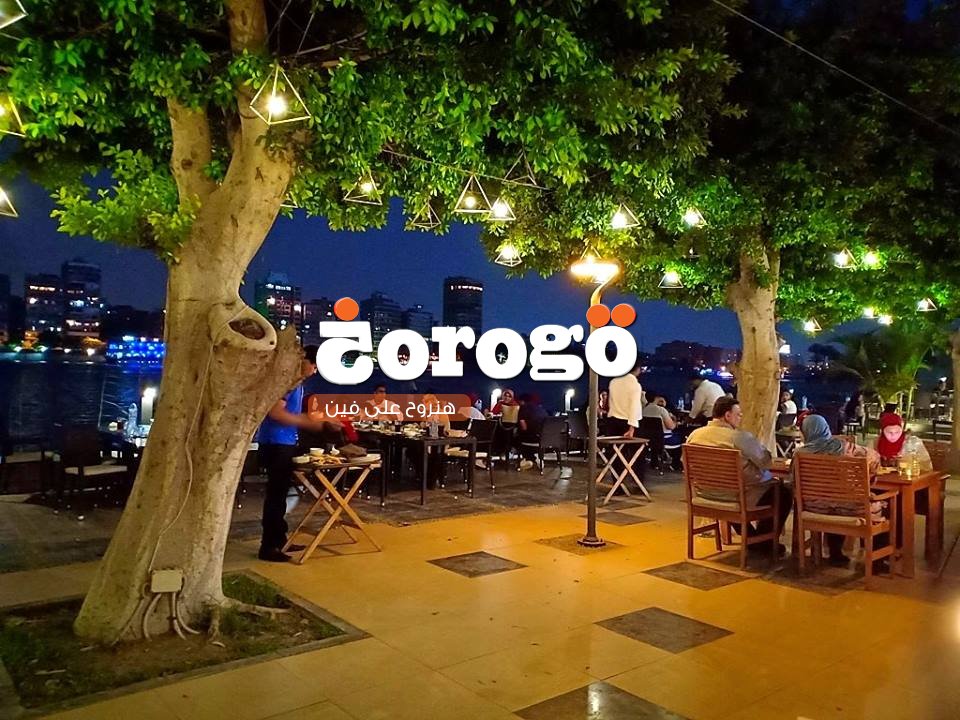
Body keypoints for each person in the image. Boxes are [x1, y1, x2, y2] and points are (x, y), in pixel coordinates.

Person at [687, 396, 791, 554]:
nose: (740, 417)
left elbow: (685, 463)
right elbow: (765, 462)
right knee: (783, 493)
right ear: (727, 415)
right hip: (737, 496)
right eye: (738, 414)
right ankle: (764, 542)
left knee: (737, 490)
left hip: (705, 494)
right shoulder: (738, 437)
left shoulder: (695, 435)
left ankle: (753, 539)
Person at [256, 345, 332, 563]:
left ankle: (280, 540)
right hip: (276, 443)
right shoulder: (287, 383)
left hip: (285, 442)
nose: (314, 371)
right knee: (276, 497)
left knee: (281, 496)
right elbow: (275, 412)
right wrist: (307, 422)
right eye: (314, 366)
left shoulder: (296, 384)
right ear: (304, 361)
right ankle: (268, 547)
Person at [795, 414, 881, 566]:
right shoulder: (845, 448)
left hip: (814, 508)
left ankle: (834, 552)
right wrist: (869, 478)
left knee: (830, 501)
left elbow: (793, 481)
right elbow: (874, 457)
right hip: (849, 509)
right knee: (884, 504)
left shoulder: (799, 455)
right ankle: (879, 559)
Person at [643, 393, 681, 470]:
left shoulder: (643, 410)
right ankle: (675, 464)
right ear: (656, 398)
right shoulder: (661, 410)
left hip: (648, 438)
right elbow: (671, 426)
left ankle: (654, 461)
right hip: (663, 438)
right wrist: (675, 421)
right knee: (681, 438)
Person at [607, 362, 644, 438]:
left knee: (612, 444)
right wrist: (632, 427)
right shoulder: (635, 384)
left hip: (612, 421)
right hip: (627, 423)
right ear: (637, 369)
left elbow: (610, 402)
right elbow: (634, 406)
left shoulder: (613, 381)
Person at [516, 393, 548, 470]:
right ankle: (533, 458)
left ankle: (529, 459)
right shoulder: (541, 409)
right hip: (545, 438)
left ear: (522, 401)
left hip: (532, 438)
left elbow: (524, 427)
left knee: (515, 438)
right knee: (525, 437)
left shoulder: (523, 408)